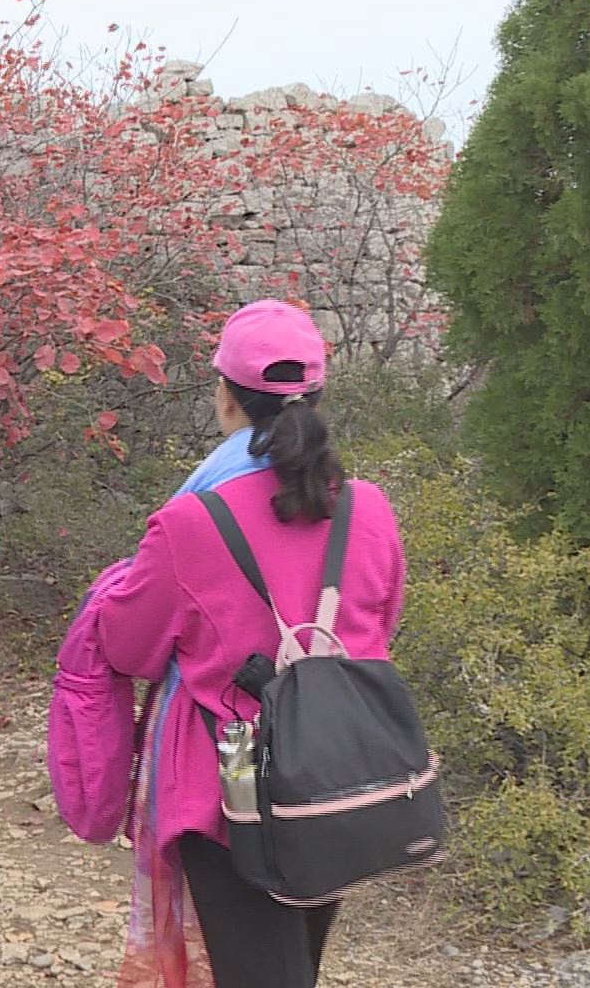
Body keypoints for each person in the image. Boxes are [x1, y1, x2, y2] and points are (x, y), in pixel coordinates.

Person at [88, 300, 407, 988]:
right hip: (334, 772)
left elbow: (128, 648)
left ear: (226, 398)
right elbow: (378, 628)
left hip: (227, 785)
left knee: (263, 975)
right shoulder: (368, 509)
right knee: (292, 960)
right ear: (319, 395)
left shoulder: (189, 524)